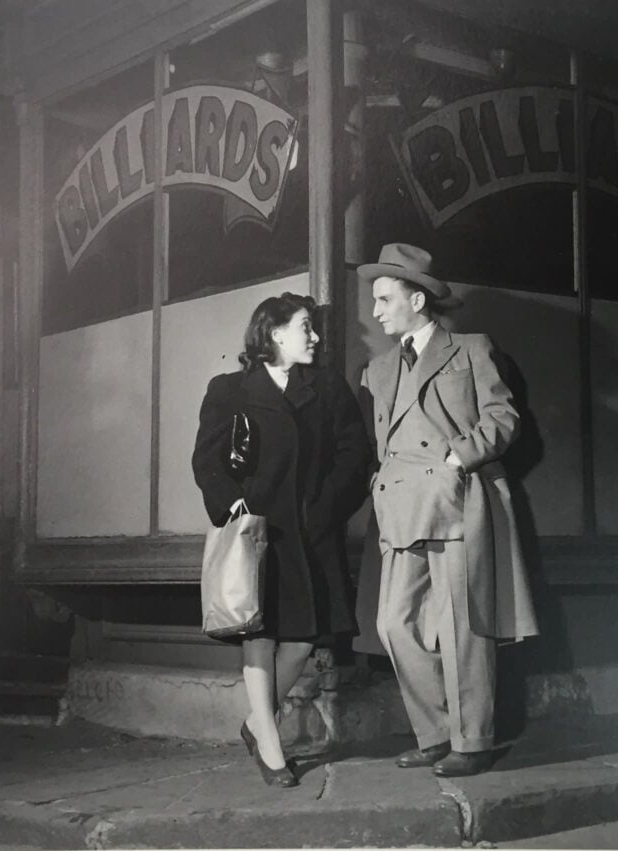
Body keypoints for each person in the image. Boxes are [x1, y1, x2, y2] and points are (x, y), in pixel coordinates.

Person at [356, 243, 539, 778]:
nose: (376, 311)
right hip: (400, 506)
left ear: (417, 300)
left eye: (385, 299)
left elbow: (504, 418)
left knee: (463, 625)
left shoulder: (470, 349)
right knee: (393, 624)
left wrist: (459, 458)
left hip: (457, 500)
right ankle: (435, 732)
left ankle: (472, 740)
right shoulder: (377, 369)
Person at [192, 292, 370, 788]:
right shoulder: (229, 390)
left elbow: (354, 454)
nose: (314, 337)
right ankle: (271, 749)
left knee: (303, 638)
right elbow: (207, 460)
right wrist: (233, 505)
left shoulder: (327, 387)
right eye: (304, 327)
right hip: (258, 531)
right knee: (259, 633)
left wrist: (327, 506)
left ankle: (256, 723)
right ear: (274, 334)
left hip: (311, 530)